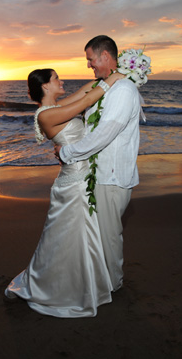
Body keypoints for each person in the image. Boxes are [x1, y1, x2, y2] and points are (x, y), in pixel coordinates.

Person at [5, 68, 123, 318]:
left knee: (77, 237)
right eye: (57, 78)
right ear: (46, 86)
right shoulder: (46, 116)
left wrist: (113, 71)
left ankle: (84, 282)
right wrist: (113, 80)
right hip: (73, 183)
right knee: (70, 238)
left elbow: (84, 92)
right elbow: (88, 100)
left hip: (82, 177)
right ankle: (62, 288)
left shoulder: (56, 107)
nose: (62, 81)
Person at [55, 35, 141, 292]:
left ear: (105, 56)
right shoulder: (108, 87)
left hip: (112, 177)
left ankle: (112, 284)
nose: (89, 65)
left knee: (109, 235)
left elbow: (104, 134)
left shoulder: (123, 90)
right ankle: (105, 279)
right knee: (102, 234)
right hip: (100, 174)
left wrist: (66, 153)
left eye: (90, 59)